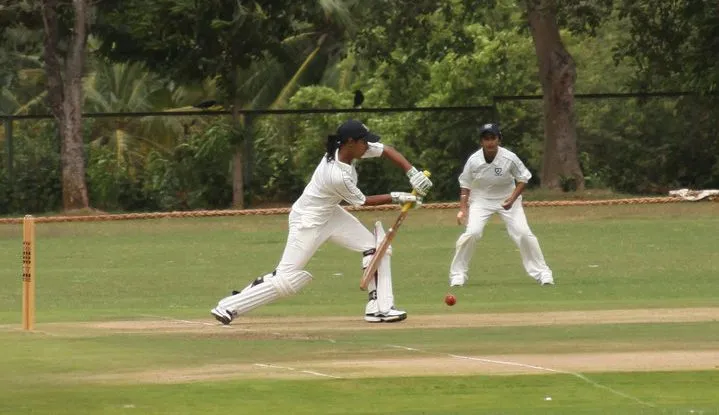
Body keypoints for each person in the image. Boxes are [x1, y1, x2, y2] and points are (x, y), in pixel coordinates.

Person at [211, 119, 433, 325]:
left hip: (330, 213)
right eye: (364, 141)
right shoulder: (336, 174)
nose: (367, 145)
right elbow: (362, 201)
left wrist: (412, 173)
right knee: (287, 278)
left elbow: (386, 150)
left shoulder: (349, 150)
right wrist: (398, 197)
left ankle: (380, 308)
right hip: (308, 221)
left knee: (377, 247)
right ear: (350, 142)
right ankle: (229, 306)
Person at [448, 123, 554, 287]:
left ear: (499, 139)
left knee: (523, 233)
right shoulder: (474, 160)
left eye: (493, 138)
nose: (490, 142)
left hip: (507, 198)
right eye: (486, 139)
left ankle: (543, 273)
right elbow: (465, 184)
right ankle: (458, 275)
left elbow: (523, 178)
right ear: (481, 142)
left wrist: (512, 199)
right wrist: (463, 209)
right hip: (481, 199)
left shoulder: (509, 158)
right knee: (472, 233)